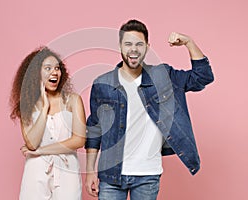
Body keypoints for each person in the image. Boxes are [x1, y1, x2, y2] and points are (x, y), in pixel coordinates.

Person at [85, 19, 214, 200]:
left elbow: (203, 77)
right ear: (120, 46)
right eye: (128, 44)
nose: (134, 49)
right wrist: (90, 171)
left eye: (139, 44)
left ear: (147, 47)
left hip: (147, 174)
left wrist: (189, 42)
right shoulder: (102, 83)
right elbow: (94, 129)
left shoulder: (162, 76)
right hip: (110, 175)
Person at [9, 47, 86, 200]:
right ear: (36, 73)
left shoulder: (73, 100)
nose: (54, 72)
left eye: (57, 68)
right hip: (36, 171)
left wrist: (42, 151)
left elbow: (79, 139)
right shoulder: (27, 105)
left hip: (67, 170)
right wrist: (44, 108)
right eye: (48, 68)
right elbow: (32, 143)